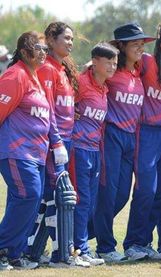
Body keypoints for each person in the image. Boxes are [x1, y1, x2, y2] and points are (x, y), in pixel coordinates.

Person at [122, 24, 161, 261]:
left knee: (160, 193)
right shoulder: (148, 63)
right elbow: (120, 64)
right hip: (145, 132)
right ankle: (132, 244)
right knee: (145, 190)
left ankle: (145, 242)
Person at [93, 22, 155, 263]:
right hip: (110, 136)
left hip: (132, 138)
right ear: (120, 46)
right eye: (134, 43)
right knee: (108, 194)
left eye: (142, 43)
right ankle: (105, 247)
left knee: (121, 197)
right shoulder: (110, 72)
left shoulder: (138, 71)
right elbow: (86, 81)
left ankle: (81, 236)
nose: (140, 47)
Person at [0, 31, 53, 270]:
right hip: (16, 152)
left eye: (45, 48)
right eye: (39, 48)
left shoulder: (35, 77)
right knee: (28, 195)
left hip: (36, 153)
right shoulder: (15, 75)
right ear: (24, 52)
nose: (44, 52)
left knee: (26, 201)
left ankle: (13, 253)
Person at [32, 21, 79, 267]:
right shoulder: (46, 69)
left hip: (66, 140)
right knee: (57, 197)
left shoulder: (62, 69)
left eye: (72, 39)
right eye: (66, 38)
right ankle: (59, 255)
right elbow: (47, 109)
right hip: (54, 142)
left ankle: (35, 251)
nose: (70, 43)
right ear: (50, 39)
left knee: (53, 197)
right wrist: (56, 141)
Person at [68, 42, 119, 266]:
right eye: (108, 62)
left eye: (115, 63)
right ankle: (78, 249)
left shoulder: (105, 88)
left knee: (90, 204)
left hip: (95, 150)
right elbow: (64, 107)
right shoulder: (80, 83)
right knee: (81, 201)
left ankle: (81, 247)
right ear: (95, 62)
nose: (112, 67)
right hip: (78, 149)